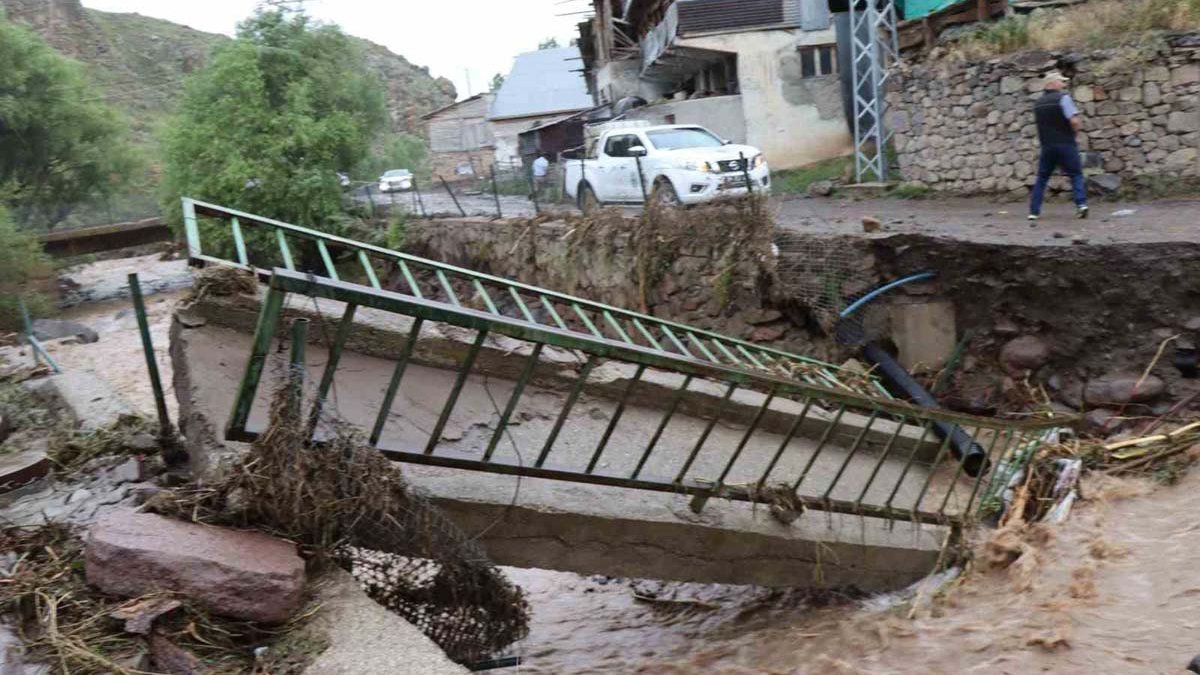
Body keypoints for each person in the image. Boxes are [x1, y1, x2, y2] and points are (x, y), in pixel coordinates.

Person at [1029, 71, 1088, 222]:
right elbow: (1074, 121)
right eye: (1061, 82)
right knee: (1076, 174)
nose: (1063, 84)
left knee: (1042, 178)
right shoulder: (1064, 98)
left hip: (1047, 146)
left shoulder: (1038, 103)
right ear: (1052, 83)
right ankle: (1081, 205)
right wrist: (1074, 134)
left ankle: (1033, 212)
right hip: (1066, 143)